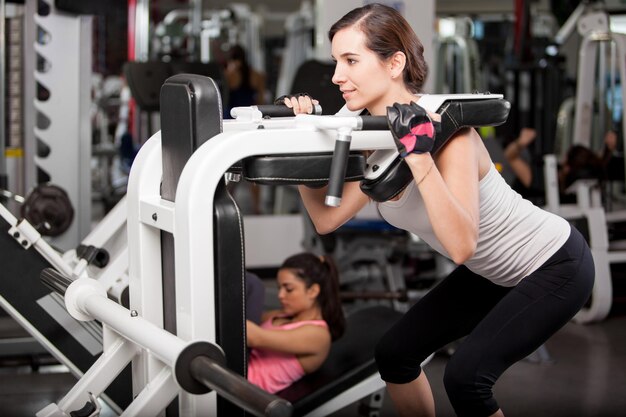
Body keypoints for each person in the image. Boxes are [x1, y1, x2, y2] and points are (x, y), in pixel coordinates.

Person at [290, 4, 595, 417]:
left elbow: (462, 246)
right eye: (335, 61)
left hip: (554, 263)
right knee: (395, 355)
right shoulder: (370, 135)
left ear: (394, 62)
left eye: (350, 60)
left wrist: (419, 157)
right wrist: (299, 158)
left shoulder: (450, 131)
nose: (336, 76)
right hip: (495, 273)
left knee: (466, 378)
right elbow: (328, 219)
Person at [246, 252, 345, 394]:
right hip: (233, 371)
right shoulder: (280, 315)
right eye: (279, 288)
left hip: (246, 388)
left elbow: (253, 337)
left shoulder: (317, 335)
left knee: (253, 285)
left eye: (289, 289)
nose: (280, 295)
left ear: (313, 291)